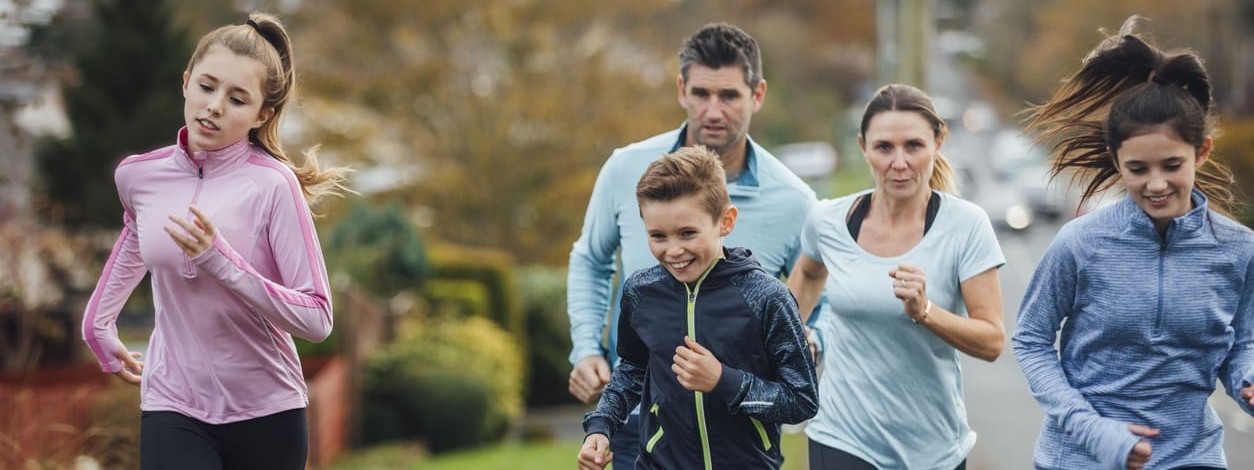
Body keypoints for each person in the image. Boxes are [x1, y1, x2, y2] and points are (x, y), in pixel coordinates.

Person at [80, 13, 349, 470]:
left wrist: (219, 260)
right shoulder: (139, 176)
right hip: (173, 401)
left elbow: (317, 317)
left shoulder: (272, 185)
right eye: (207, 86)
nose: (215, 106)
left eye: (237, 98)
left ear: (262, 114)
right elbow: (135, 237)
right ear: (186, 82)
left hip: (267, 410)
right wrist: (98, 327)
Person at [566, 22, 822, 468]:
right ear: (682, 89)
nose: (713, 110)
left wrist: (808, 339)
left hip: (742, 448)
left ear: (757, 95)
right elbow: (592, 263)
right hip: (646, 437)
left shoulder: (796, 203)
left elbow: (821, 298)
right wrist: (588, 355)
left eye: (729, 95)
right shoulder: (626, 170)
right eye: (702, 93)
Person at [1013, 16, 1254, 470]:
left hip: (1192, 456)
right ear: (1116, 161)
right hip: (1080, 458)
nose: (1156, 184)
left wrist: (1248, 379)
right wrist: (1093, 429)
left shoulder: (1239, 250)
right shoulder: (1080, 243)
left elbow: (1242, 342)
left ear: (1201, 152)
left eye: (1172, 164)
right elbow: (1030, 340)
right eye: (1138, 169)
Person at [787, 84, 1006, 469]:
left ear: (938, 142)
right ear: (863, 147)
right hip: (842, 436)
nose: (899, 162)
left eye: (913, 146)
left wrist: (926, 311)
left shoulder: (966, 226)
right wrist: (792, 337)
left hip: (933, 448)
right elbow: (807, 273)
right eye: (884, 147)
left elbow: (991, 340)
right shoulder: (829, 221)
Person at [576, 146, 818, 470]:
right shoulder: (640, 293)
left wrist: (723, 381)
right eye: (658, 236)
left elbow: (801, 400)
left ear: (726, 221)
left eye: (688, 233)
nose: (673, 250)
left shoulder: (767, 297)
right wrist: (602, 426)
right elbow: (632, 371)